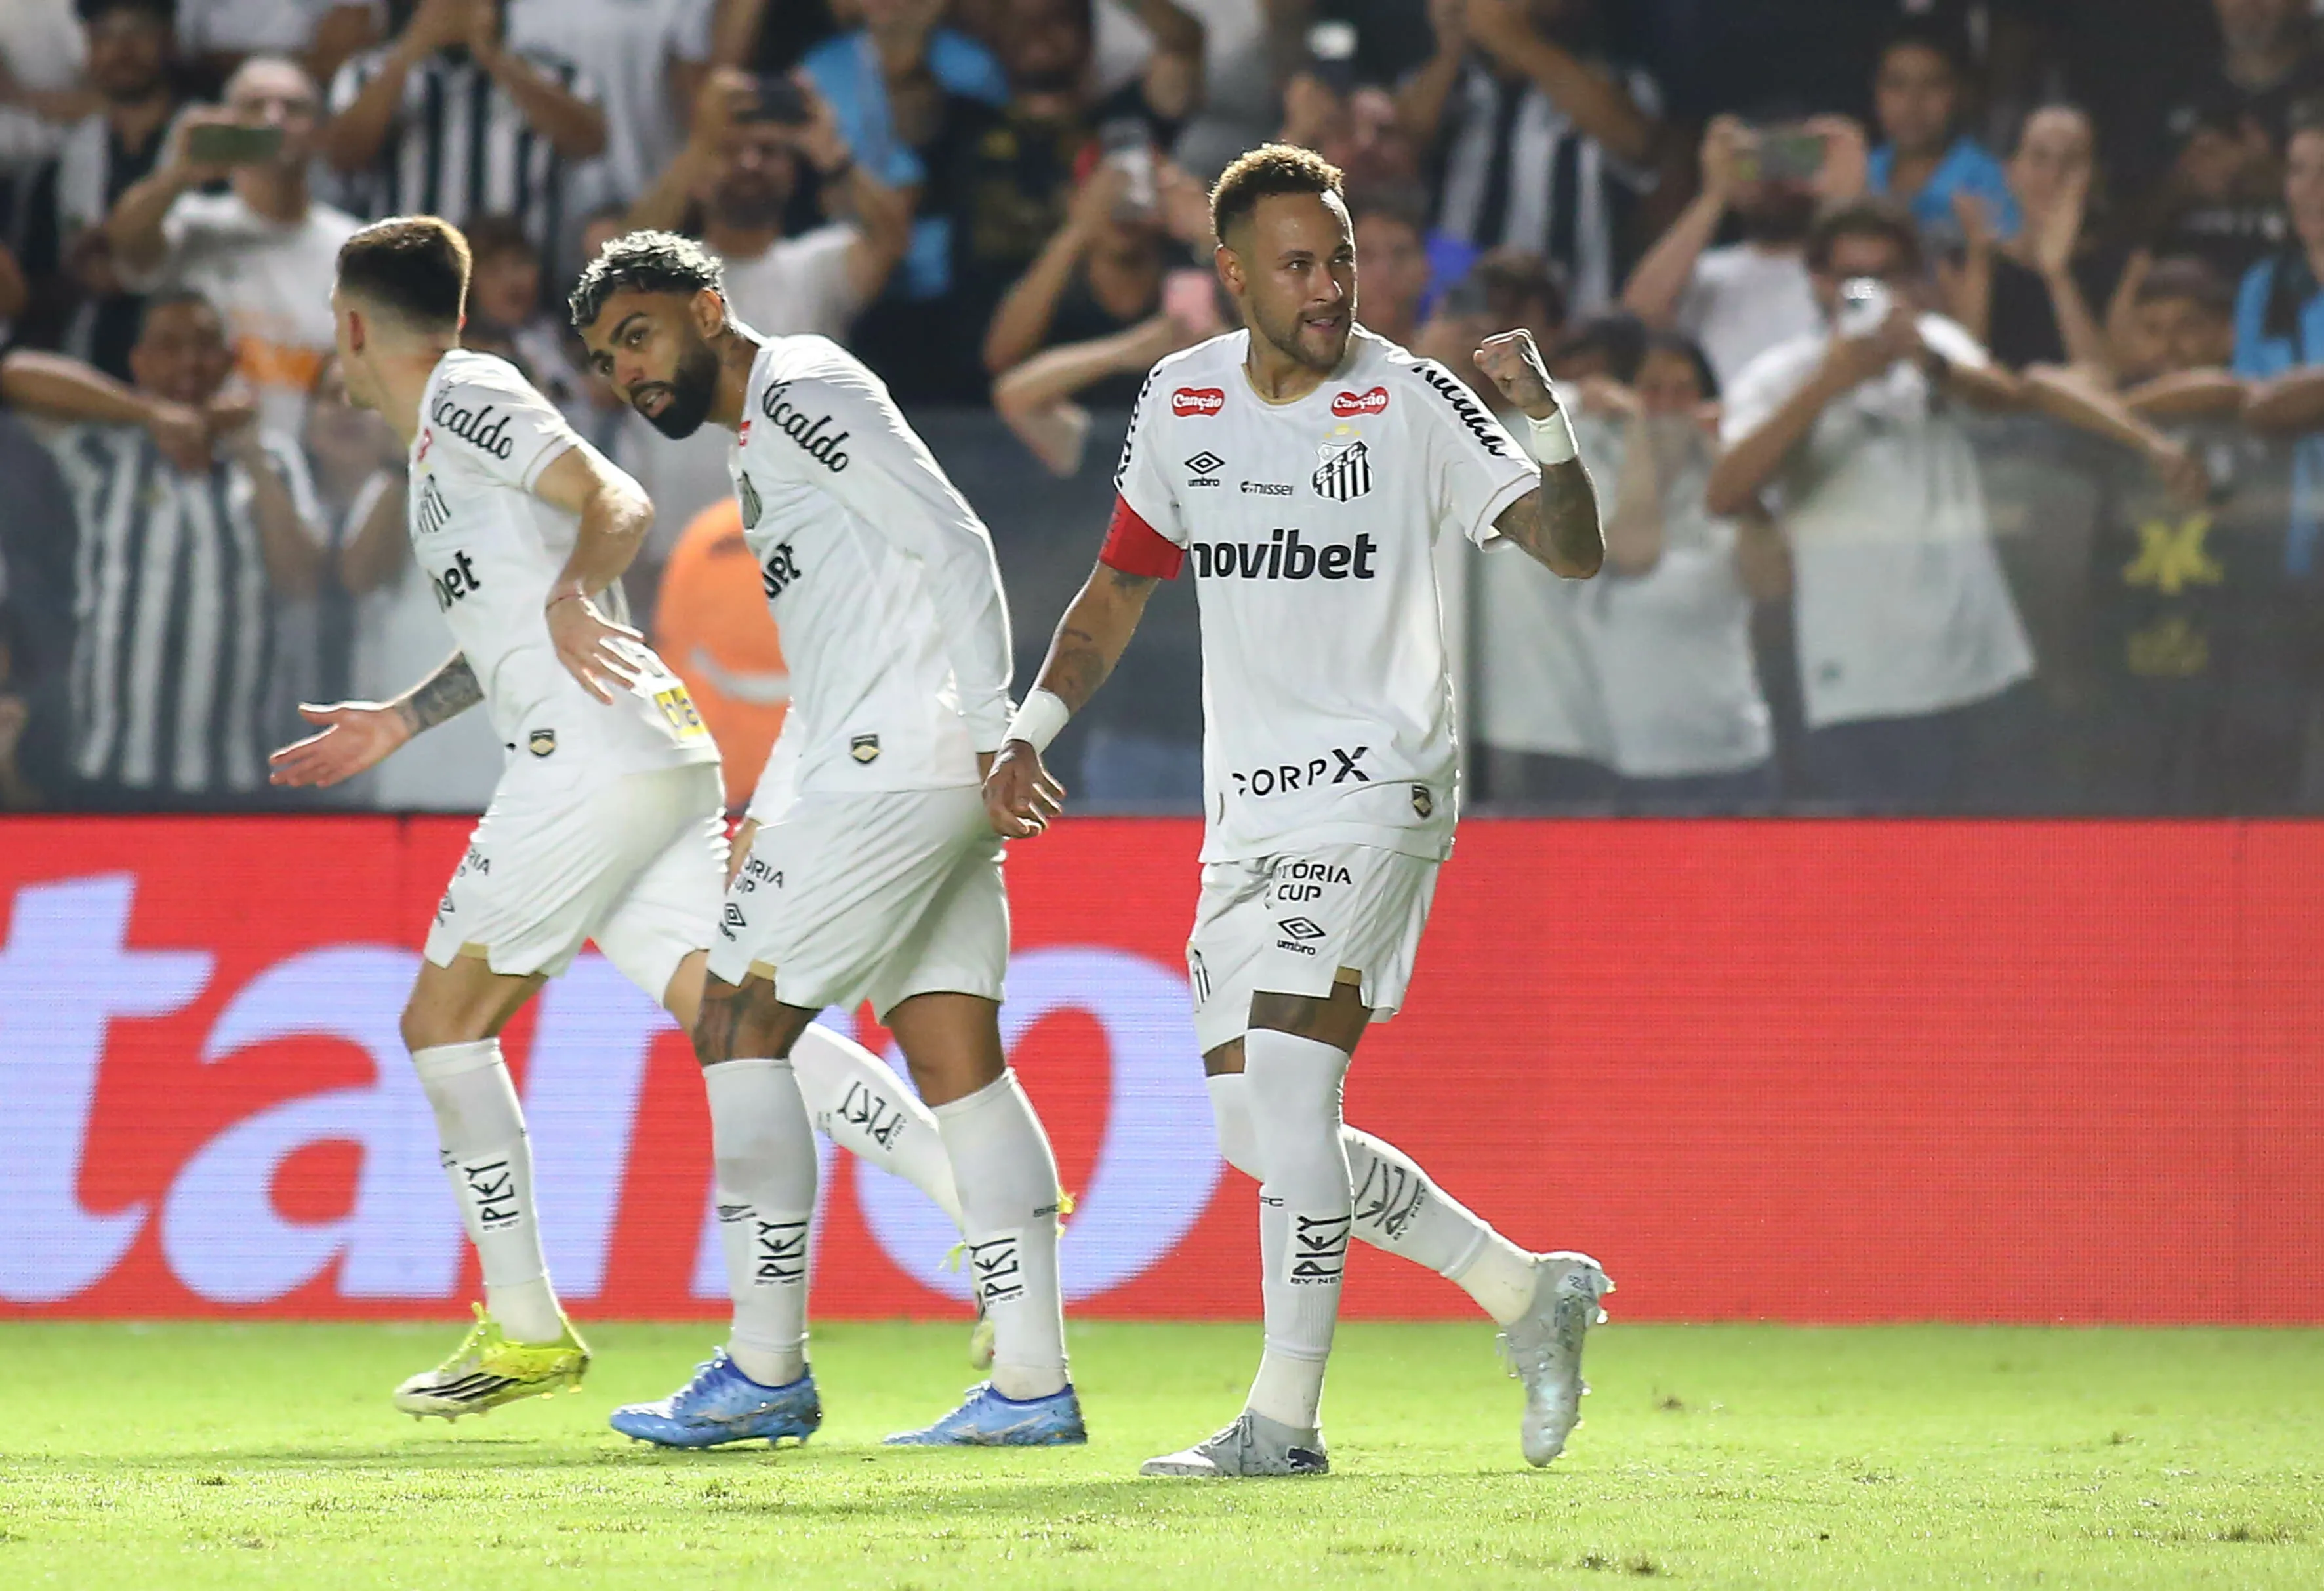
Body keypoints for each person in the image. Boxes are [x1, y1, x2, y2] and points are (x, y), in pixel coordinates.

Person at [271, 216, 975, 1422]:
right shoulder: (441, 443)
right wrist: (405, 714)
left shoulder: (468, 389)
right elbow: (523, 623)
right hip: (648, 754)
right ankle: (982, 1194)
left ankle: (527, 1326)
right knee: (737, 1018)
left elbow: (613, 496)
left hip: (586, 762)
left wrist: (559, 591)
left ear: (349, 324)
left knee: (442, 1021)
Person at [985, 144, 1613, 1478]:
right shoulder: (1182, 399)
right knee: (1255, 1133)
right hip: (1247, 810)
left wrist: (1546, 423)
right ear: (1231, 275)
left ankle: (1282, 1425)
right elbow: (1114, 593)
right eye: (1299, 264)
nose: (1330, 286)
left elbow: (1570, 552)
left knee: (1286, 1081)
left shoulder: (1414, 400)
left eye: (1342, 260)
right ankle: (1523, 1289)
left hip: (1382, 783)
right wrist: (1026, 730)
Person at [573, 228, 1081, 1447]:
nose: (627, 374)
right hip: (890, 761)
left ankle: (764, 1368)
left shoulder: (803, 385)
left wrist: (999, 734)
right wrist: (776, 802)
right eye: (602, 360)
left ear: (704, 309)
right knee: (955, 1053)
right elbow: (844, 648)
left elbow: (955, 541)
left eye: (637, 336)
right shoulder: (765, 438)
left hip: (905, 767)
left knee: (739, 1023)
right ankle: (1030, 1385)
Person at [1708, 197, 2208, 812]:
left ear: (1912, 280)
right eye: (1850, 276)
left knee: (1992, 879)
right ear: (1818, 282)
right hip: (1859, 680)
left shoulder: (1936, 343)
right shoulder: (1776, 375)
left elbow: (2008, 395)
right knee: (1882, 887)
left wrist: (1928, 360)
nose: (1868, 290)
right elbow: (1726, 493)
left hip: (1979, 666)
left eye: (1888, 274)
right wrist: (1829, 383)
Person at [5, 293, 325, 808]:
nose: (189, 363)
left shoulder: (273, 460)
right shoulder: (100, 453)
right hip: (110, 770)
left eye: (204, 346)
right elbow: (17, 374)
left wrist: (248, 453)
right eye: (169, 346)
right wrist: (150, 414)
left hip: (239, 776)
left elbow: (301, 582)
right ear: (139, 362)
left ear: (229, 359)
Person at [614, 66, 910, 549]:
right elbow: (615, 259)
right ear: (702, 171)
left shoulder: (817, 266)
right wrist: (701, 141)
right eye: (731, 152)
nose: (749, 162)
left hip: (796, 543)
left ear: (793, 172)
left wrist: (831, 152)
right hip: (673, 536)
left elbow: (891, 239)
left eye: (769, 151)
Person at [2084, 255, 2302, 810]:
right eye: (2151, 330)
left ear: (2227, 335)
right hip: (2140, 686)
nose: (2168, 347)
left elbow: (2221, 393)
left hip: (2244, 681)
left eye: (2188, 327)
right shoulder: (2111, 433)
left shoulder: (2263, 417)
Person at [1569, 331, 1785, 810]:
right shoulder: (1596, 466)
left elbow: (1768, 582)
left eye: (1682, 390)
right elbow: (1634, 554)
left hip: (1734, 751)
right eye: (1651, 389)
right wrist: (1641, 435)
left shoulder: (1724, 482)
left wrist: (1721, 463)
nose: (1666, 404)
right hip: (1632, 759)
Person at [104, 54, 361, 439]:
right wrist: (179, 174)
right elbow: (123, 242)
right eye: (254, 106)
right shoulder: (190, 223)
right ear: (225, 122)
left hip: (305, 479)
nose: (274, 120)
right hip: (199, 462)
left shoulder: (358, 250)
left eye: (293, 108)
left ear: (320, 133)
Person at [1396, 0, 1663, 314]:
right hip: (1451, 317)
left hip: (1569, 319)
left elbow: (1635, 142)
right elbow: (1402, 147)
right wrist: (1453, 47)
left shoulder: (1617, 82)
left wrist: (1511, 37)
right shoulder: (1448, 83)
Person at [987, 150, 1219, 474]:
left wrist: (1211, 234)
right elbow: (1005, 371)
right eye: (1109, 195)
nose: (1123, 212)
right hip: (1096, 446)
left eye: (1138, 192)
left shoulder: (1191, 274)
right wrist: (1079, 227)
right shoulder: (1061, 284)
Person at [321, 0, 605, 249]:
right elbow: (343, 155)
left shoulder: (554, 74)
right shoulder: (366, 73)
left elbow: (591, 141)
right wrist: (414, 45)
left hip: (521, 285)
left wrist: (492, 55)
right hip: (404, 283)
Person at [1621, 112, 1864, 387]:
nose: (1776, 181)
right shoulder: (1708, 272)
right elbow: (1635, 317)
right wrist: (1714, 195)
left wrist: (1849, 200)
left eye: (1793, 158)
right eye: (1761, 162)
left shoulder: (1841, 273)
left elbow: (1873, 301)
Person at [16, 0, 184, 379]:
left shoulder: (207, 152)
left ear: (168, 39)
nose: (121, 50)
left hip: (191, 367)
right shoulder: (59, 165)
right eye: (104, 35)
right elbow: (33, 290)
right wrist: (77, 276)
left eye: (138, 31)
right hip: (88, 363)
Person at [502, 0, 712, 210]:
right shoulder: (513, 9)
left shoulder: (680, 8)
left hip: (649, 196)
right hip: (544, 202)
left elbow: (704, 112)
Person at [1864, 24, 2014, 250]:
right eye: (1897, 85)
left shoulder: (1992, 182)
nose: (1912, 104)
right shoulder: (1859, 172)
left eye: (1932, 85)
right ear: (1876, 91)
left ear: (1962, 93)